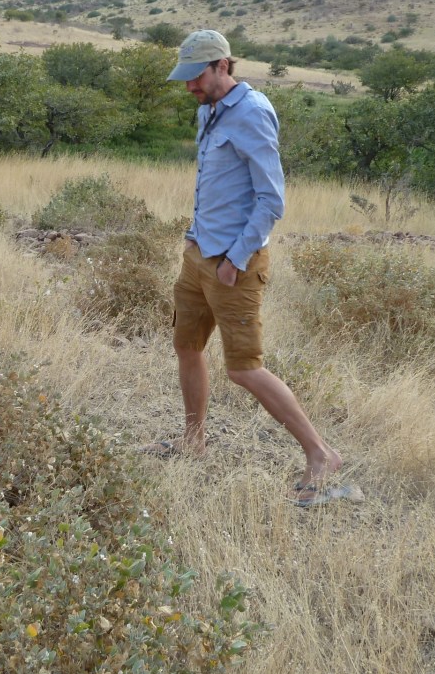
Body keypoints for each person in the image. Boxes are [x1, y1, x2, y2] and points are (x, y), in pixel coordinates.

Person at [141, 29, 363, 507]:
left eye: (196, 77)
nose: (190, 87)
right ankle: (193, 442)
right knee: (186, 346)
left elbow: (271, 199)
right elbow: (214, 182)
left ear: (222, 65)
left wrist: (234, 260)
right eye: (185, 79)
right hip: (198, 252)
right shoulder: (208, 108)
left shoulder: (253, 112)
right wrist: (195, 237)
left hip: (233, 265)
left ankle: (322, 454)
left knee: (244, 369)